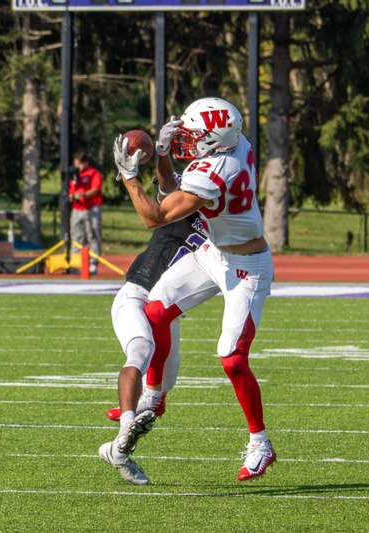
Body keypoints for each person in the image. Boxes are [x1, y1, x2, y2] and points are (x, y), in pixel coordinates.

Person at [111, 97, 276, 482]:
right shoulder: (238, 142)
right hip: (213, 253)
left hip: (247, 268)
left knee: (232, 358)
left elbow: (156, 214)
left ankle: (260, 441)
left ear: (215, 141)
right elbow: (173, 188)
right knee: (155, 310)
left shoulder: (218, 170)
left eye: (195, 134)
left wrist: (129, 176)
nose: (188, 137)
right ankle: (155, 393)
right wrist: (164, 153)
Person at [98, 121, 210, 485]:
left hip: (167, 307)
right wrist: (160, 153)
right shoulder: (184, 202)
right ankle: (127, 423)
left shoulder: (220, 219)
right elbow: (166, 186)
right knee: (140, 350)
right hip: (138, 293)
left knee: (162, 391)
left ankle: (116, 448)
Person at [68, 152, 103, 274]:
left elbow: (95, 190)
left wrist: (82, 195)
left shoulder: (94, 173)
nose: (78, 166)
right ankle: (76, 264)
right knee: (76, 236)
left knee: (92, 235)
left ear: (86, 163)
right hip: (77, 209)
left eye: (80, 164)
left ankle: (93, 263)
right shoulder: (73, 176)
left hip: (91, 209)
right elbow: (70, 191)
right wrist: (71, 197)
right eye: (76, 164)